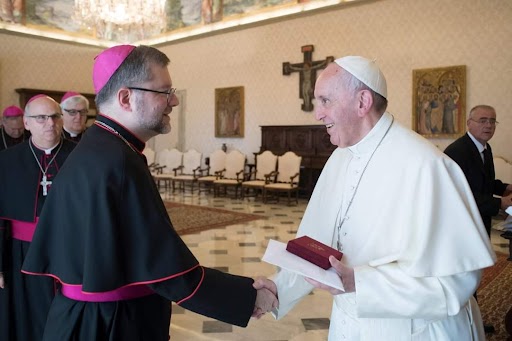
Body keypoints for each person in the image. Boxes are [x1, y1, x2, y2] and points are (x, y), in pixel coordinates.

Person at [21, 45, 277, 340]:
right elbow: (165, 268)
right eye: (164, 91)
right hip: (112, 324)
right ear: (126, 97)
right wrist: (248, 298)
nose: (175, 100)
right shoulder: (117, 161)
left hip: (82, 318)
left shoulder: (99, 147)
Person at [254, 56, 496, 340]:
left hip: (413, 330)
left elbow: (456, 281)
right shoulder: (340, 158)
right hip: (348, 323)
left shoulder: (425, 165)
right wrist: (279, 288)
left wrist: (361, 282)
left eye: (325, 101)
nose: (317, 114)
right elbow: (316, 246)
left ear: (362, 102)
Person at [0, 95, 77, 340]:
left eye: (54, 116)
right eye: (41, 118)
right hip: (21, 253)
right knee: (27, 316)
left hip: (70, 251)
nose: (49, 123)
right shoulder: (6, 161)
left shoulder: (81, 157)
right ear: (27, 123)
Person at [445, 105, 512, 236]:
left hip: (481, 217)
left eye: (492, 121)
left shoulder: (486, 147)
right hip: (462, 223)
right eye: (483, 120)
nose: (489, 125)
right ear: (469, 123)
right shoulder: (457, 151)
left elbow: (484, 182)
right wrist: (499, 203)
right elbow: (459, 193)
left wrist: (506, 188)